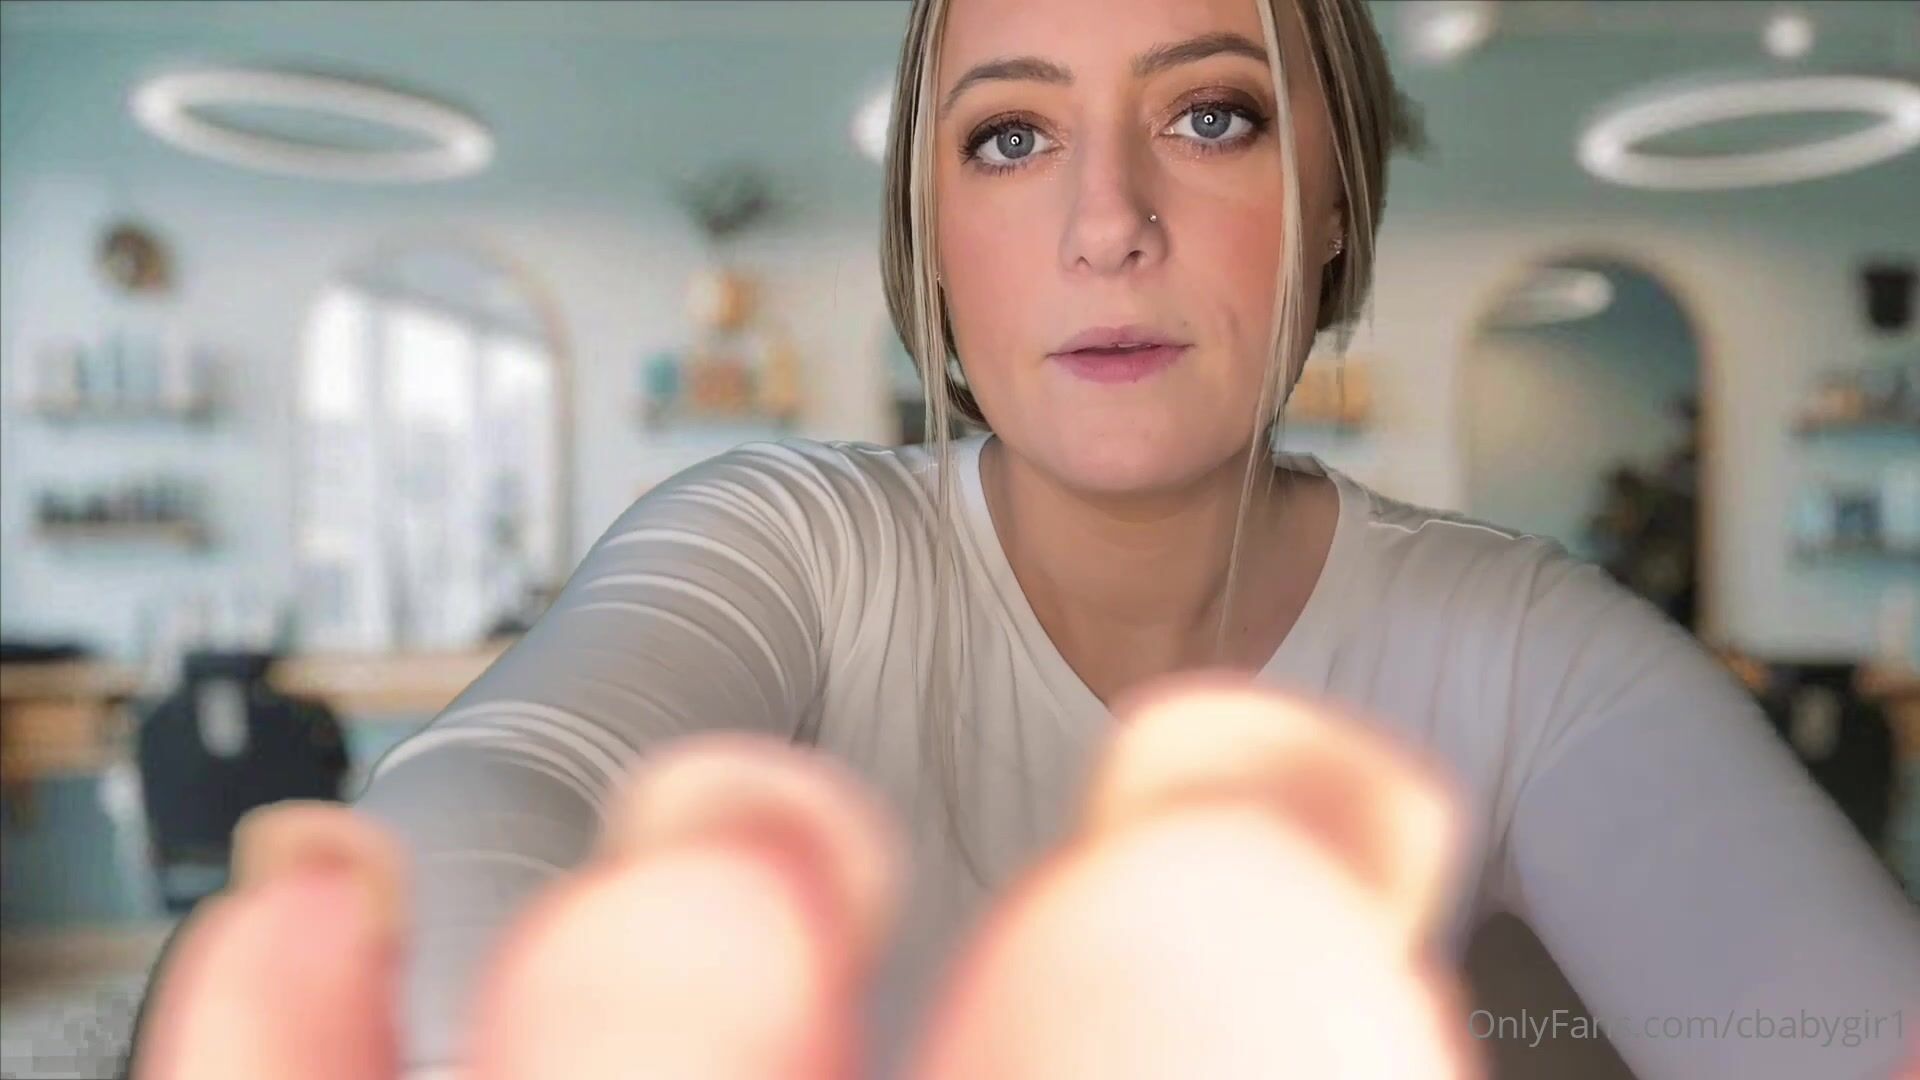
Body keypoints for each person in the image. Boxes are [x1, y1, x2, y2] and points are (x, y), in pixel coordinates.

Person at [127, 0, 1920, 1077]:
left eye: (1211, 116)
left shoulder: (1525, 646)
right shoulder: (788, 545)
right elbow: (494, 786)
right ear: (932, 236)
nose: (1106, 222)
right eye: (1009, 137)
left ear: (1332, 206)